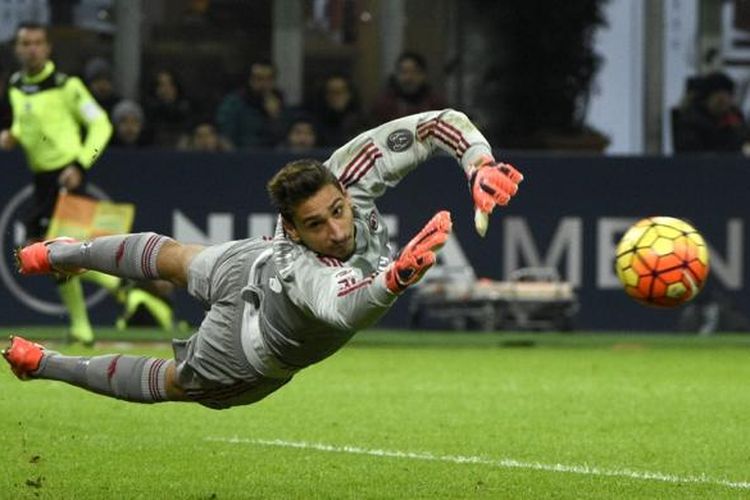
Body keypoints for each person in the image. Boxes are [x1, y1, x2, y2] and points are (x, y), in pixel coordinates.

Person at [3, 109, 523, 410]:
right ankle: (51, 326)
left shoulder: (345, 172)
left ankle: (53, 288)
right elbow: (343, 309)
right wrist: (395, 278)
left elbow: (440, 124)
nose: (338, 230)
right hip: (247, 348)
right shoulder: (303, 265)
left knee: (179, 258)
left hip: (257, 294)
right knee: (175, 380)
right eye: (316, 225)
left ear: (342, 188)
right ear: (292, 229)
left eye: (339, 211)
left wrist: (478, 164)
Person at [0, 22, 113, 345]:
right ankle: (120, 294)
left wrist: (81, 163)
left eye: (38, 43)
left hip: (67, 174)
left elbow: (101, 125)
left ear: (48, 48)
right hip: (41, 178)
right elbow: (26, 125)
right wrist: (13, 135)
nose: (32, 49)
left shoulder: (68, 85)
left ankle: (89, 320)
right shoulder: (17, 84)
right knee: (52, 254)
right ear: (17, 48)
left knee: (51, 251)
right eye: (26, 43)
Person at [673, 71, 750, 153]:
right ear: (706, 99)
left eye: (727, 97)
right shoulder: (691, 121)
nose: (724, 102)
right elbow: (691, 153)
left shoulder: (735, 119)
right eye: (719, 99)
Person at [216, 60, 286, 148]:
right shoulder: (234, 103)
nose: (263, 84)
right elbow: (225, 137)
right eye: (259, 78)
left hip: (271, 156)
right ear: (250, 79)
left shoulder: (279, 102)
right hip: (242, 155)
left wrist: (275, 117)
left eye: (268, 79)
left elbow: (284, 139)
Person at [371, 52, 448, 124]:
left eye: (413, 72)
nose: (408, 78)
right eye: (404, 72)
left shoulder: (435, 104)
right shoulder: (384, 104)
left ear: (423, 75)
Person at [311, 74, 367, 147]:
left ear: (350, 94)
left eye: (340, 92)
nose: (336, 97)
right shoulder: (315, 121)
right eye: (331, 92)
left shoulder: (362, 121)